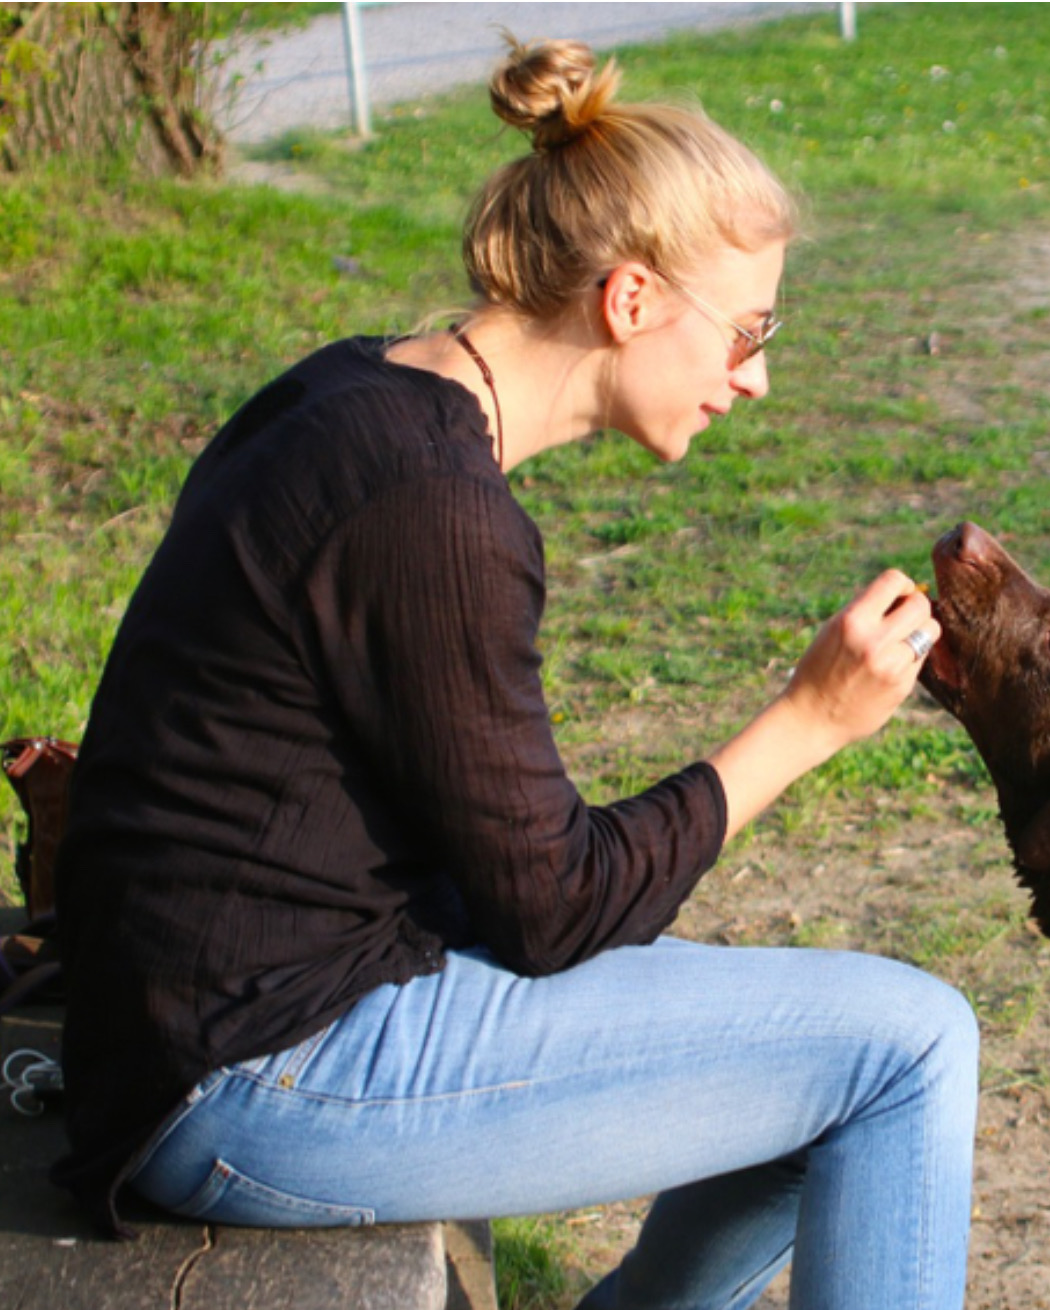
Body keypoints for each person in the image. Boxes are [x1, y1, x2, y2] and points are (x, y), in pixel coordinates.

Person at [51, 36, 978, 1310]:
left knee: (825, 1032)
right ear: (632, 299)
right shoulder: (436, 508)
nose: (755, 377)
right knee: (911, 1045)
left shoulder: (360, 392)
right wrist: (808, 720)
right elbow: (548, 909)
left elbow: (504, 868)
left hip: (216, 1019)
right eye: (748, 331)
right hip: (250, 1074)